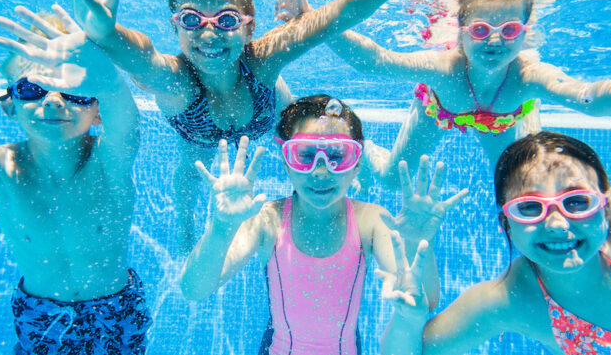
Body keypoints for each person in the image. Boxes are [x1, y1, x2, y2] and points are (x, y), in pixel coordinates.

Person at [71, 0, 470, 252]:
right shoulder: (176, 81)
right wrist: (103, 27)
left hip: (268, 107)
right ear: (174, 25)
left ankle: (358, 162)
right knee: (189, 175)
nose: (209, 34)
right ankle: (184, 224)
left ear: (249, 26)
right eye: (192, 19)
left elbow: (344, 11)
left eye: (226, 20)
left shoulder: (262, 60)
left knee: (313, 137)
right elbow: (137, 55)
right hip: (200, 133)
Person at [277, 0, 611, 186]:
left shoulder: (527, 74)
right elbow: (376, 62)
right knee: (394, 179)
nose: (494, 41)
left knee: (524, 181)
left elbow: (587, 99)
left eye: (508, 31)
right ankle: (372, 152)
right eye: (480, 31)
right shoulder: (444, 68)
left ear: (525, 34)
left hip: (508, 120)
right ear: (461, 32)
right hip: (441, 111)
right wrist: (314, 20)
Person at [378, 100, 611, 355]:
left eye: (576, 202)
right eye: (529, 208)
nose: (558, 225)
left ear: (604, 203)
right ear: (506, 224)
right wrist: (408, 318)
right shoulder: (508, 298)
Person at [180, 95, 469, 354]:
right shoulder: (266, 220)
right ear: (286, 161)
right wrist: (221, 227)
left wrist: (419, 242)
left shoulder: (371, 221)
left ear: (356, 164)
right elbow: (194, 289)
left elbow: (422, 299)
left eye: (337, 155)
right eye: (305, 155)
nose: (321, 171)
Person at [0, 5, 149, 353]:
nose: (55, 101)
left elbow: (127, 120)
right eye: (33, 89)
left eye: (76, 89)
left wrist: (104, 75)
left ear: (98, 110)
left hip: (115, 311)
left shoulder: (110, 160)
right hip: (40, 315)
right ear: (9, 105)